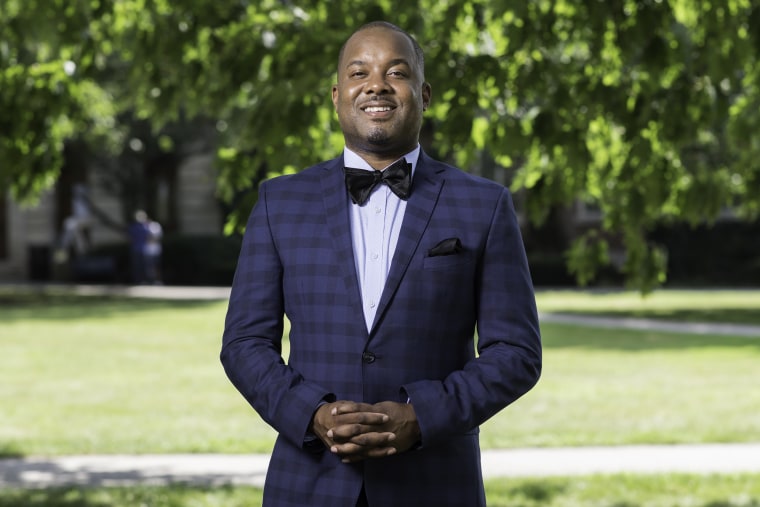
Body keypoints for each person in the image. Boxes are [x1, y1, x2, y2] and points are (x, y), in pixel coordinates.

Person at [221, 21, 541, 507]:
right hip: (307, 485)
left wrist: (422, 416)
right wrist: (312, 415)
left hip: (435, 485)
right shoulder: (278, 202)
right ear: (336, 94)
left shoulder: (485, 205)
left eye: (397, 72)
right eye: (359, 73)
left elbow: (516, 352)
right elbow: (245, 343)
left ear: (424, 93)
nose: (376, 85)